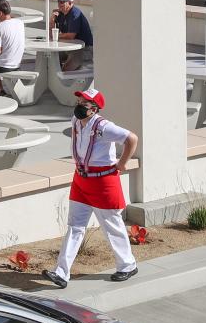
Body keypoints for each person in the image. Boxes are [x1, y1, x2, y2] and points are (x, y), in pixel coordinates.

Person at [42, 90, 139, 288]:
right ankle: (61, 272)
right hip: (81, 179)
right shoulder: (76, 121)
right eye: (78, 100)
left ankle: (127, 265)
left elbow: (132, 139)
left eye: (83, 103)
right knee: (75, 226)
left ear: (93, 109)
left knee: (112, 225)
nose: (78, 104)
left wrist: (122, 163)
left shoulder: (105, 127)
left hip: (103, 181)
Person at [51, 0, 94, 70]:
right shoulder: (61, 13)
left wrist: (56, 36)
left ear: (70, 3)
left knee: (67, 68)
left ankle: (63, 80)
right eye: (58, 1)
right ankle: (54, 78)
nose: (59, 4)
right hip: (70, 47)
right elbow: (51, 32)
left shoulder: (75, 14)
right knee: (51, 57)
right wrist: (52, 19)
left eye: (62, 2)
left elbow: (70, 36)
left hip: (85, 49)